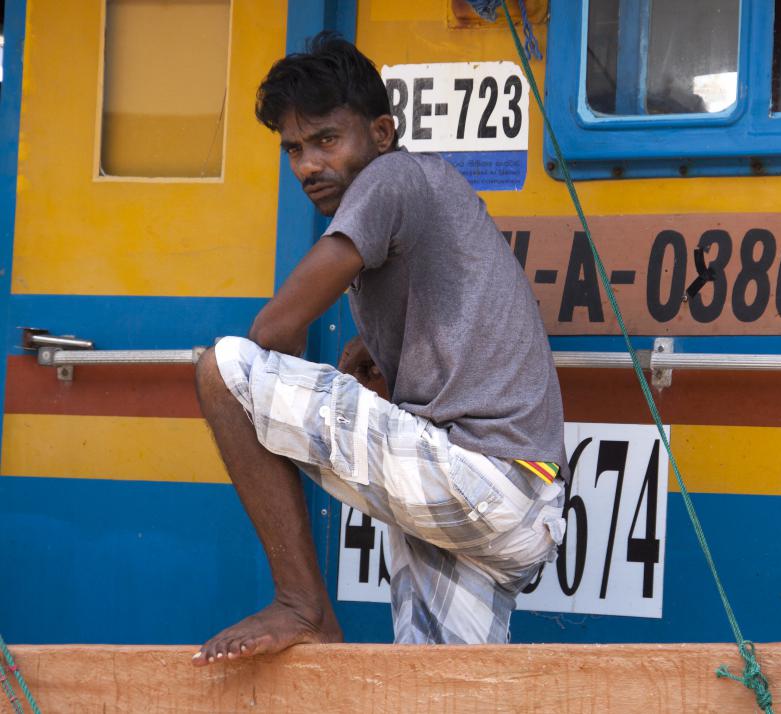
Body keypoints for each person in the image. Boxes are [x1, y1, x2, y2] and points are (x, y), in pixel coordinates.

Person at [191, 32, 566, 665]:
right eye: (293, 149)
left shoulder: (393, 178)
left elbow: (271, 334)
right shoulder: (425, 190)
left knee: (223, 371)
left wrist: (292, 427)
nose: (309, 165)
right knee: (433, 690)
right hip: (521, 510)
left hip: (481, 479)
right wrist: (376, 348)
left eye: (327, 140)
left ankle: (301, 604)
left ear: (383, 132)